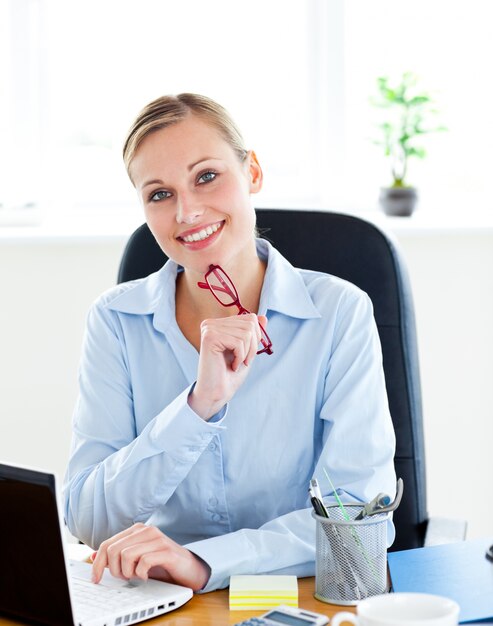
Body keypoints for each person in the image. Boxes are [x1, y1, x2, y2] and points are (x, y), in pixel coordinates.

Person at [63, 93, 396, 593]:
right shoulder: (116, 320)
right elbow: (88, 519)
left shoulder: (338, 313)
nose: (188, 212)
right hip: (161, 602)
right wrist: (199, 405)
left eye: (206, 176)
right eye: (159, 194)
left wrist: (201, 562)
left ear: (253, 172)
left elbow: (355, 524)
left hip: (297, 593)